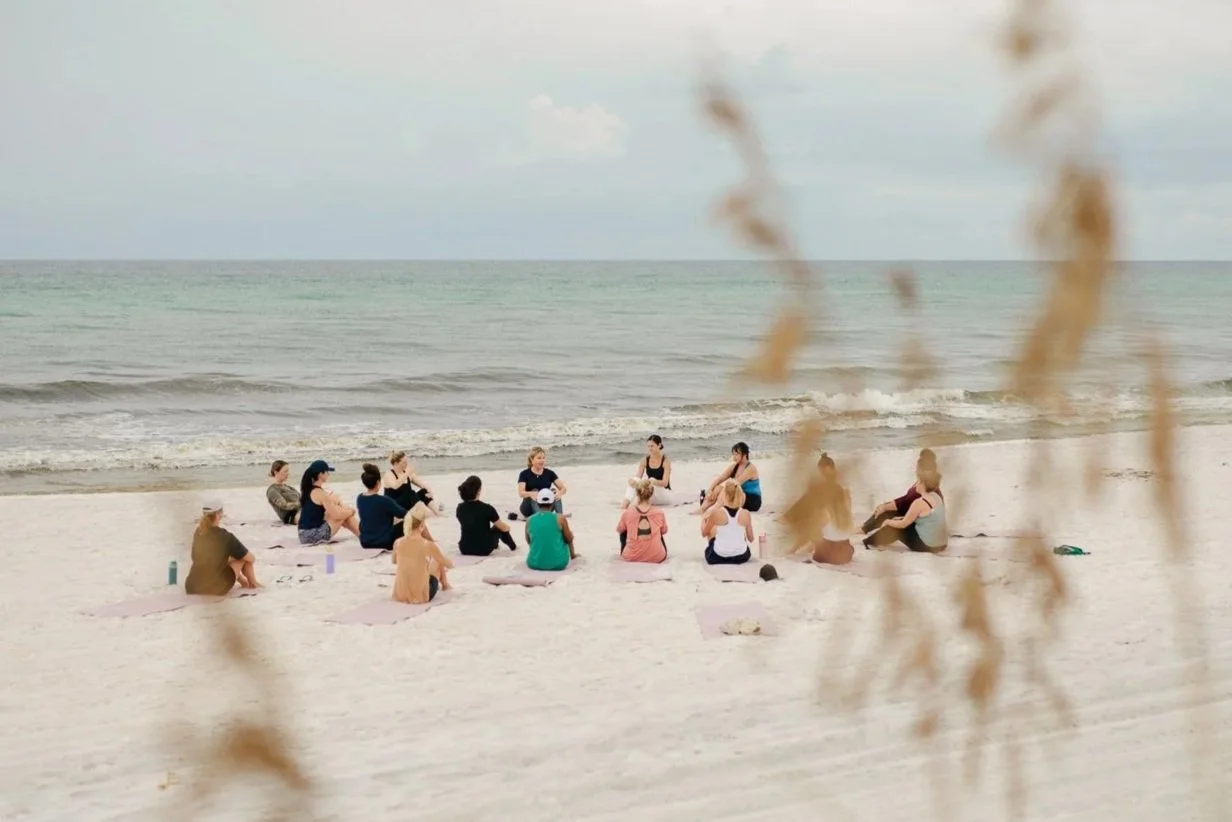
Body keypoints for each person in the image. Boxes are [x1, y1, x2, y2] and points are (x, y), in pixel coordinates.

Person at [863, 463, 947, 553]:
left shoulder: (919, 502)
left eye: (918, 482)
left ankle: (869, 542)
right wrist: (899, 519)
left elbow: (903, 524)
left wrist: (887, 521)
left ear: (923, 484)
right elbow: (926, 519)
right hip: (942, 544)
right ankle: (880, 539)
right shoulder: (936, 497)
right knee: (898, 521)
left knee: (895, 527)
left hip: (928, 546)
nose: (915, 485)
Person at [185, 500, 260, 595]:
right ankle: (253, 584)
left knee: (223, 559)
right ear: (218, 514)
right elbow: (251, 558)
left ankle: (246, 583)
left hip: (192, 586)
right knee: (242, 558)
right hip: (216, 588)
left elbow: (196, 558)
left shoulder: (198, 532)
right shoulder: (225, 536)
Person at [862, 448, 941, 535]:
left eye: (917, 468)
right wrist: (886, 505)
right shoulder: (927, 483)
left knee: (887, 512)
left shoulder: (923, 487)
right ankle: (865, 527)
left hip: (921, 520)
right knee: (887, 507)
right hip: (919, 514)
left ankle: (864, 529)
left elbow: (905, 503)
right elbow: (906, 499)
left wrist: (885, 507)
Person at [798, 453, 855, 565]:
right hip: (846, 551)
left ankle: (806, 548)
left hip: (830, 554)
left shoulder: (826, 502)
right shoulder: (845, 493)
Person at [392, 513, 453, 605]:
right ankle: (445, 585)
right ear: (422, 526)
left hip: (400, 595)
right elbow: (449, 564)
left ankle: (445, 584)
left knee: (423, 564)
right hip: (420, 596)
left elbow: (394, 561)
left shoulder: (398, 542)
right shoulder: (427, 544)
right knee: (437, 561)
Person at [297, 459, 360, 545]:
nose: (328, 474)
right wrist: (351, 511)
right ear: (320, 474)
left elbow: (330, 504)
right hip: (312, 535)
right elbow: (337, 515)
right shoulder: (320, 493)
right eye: (327, 472)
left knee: (340, 511)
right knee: (342, 514)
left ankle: (361, 534)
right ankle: (362, 535)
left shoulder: (307, 490)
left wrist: (340, 505)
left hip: (303, 534)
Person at [456, 475, 517, 556]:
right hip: (483, 549)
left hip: (464, 548)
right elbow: (503, 527)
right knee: (498, 527)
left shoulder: (460, 508)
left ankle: (496, 545)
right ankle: (513, 547)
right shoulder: (487, 508)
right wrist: (508, 527)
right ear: (479, 490)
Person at [699, 442, 762, 514]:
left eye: (737, 454)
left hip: (752, 500)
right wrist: (710, 490)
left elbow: (735, 485)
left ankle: (715, 509)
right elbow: (720, 479)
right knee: (718, 488)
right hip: (738, 495)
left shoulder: (750, 468)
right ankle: (702, 509)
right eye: (733, 454)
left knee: (727, 490)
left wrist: (721, 494)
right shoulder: (735, 466)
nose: (734, 457)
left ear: (744, 455)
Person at [701, 480, 754, 565]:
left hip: (718, 556)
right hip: (741, 556)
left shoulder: (716, 513)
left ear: (724, 495)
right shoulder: (746, 514)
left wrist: (704, 518)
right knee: (738, 531)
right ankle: (733, 546)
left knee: (712, 529)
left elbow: (704, 533)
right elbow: (751, 539)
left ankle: (724, 547)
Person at [356, 463, 407, 550]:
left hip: (365, 542)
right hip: (384, 542)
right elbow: (404, 514)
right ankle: (429, 542)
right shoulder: (384, 500)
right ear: (378, 482)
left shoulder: (360, 498)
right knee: (411, 520)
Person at [616, 479, 668, 563]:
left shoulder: (628, 512)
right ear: (651, 494)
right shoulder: (659, 512)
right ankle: (654, 550)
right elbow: (664, 530)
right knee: (659, 531)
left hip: (631, 556)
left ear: (637, 494)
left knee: (624, 531)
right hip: (657, 557)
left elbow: (619, 529)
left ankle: (632, 550)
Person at [525, 488, 577, 571]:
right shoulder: (560, 518)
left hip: (534, 563)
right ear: (553, 503)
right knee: (569, 535)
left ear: (538, 503)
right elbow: (568, 539)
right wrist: (573, 554)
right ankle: (573, 556)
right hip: (559, 564)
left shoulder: (529, 520)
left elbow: (529, 541)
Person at [621, 434, 676, 509]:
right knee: (635, 480)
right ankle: (624, 506)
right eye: (648, 446)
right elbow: (638, 477)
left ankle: (640, 504)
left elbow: (665, 483)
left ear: (659, 445)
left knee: (651, 479)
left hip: (664, 495)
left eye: (652, 446)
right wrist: (632, 481)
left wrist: (652, 482)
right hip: (650, 494)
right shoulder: (645, 460)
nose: (650, 449)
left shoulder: (665, 461)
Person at [384, 451, 441, 515]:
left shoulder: (407, 473)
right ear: (396, 463)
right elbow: (395, 486)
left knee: (424, 492)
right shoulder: (389, 474)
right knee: (410, 493)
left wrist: (429, 491)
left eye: (406, 462)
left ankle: (437, 513)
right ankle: (425, 513)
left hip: (405, 504)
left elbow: (421, 484)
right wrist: (407, 473)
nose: (406, 464)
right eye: (404, 462)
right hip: (393, 506)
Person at [517, 447, 567, 519]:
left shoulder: (550, 473)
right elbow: (521, 493)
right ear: (532, 459)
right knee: (535, 490)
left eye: (543, 458)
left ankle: (560, 517)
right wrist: (533, 493)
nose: (542, 460)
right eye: (539, 458)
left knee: (554, 491)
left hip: (546, 507)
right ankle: (540, 518)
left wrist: (560, 493)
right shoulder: (524, 474)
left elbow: (563, 488)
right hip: (528, 508)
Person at [265, 460, 301, 525]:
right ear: (276, 472)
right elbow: (284, 505)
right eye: (285, 471)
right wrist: (301, 504)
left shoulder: (289, 487)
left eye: (288, 471)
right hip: (293, 516)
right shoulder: (272, 490)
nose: (288, 473)